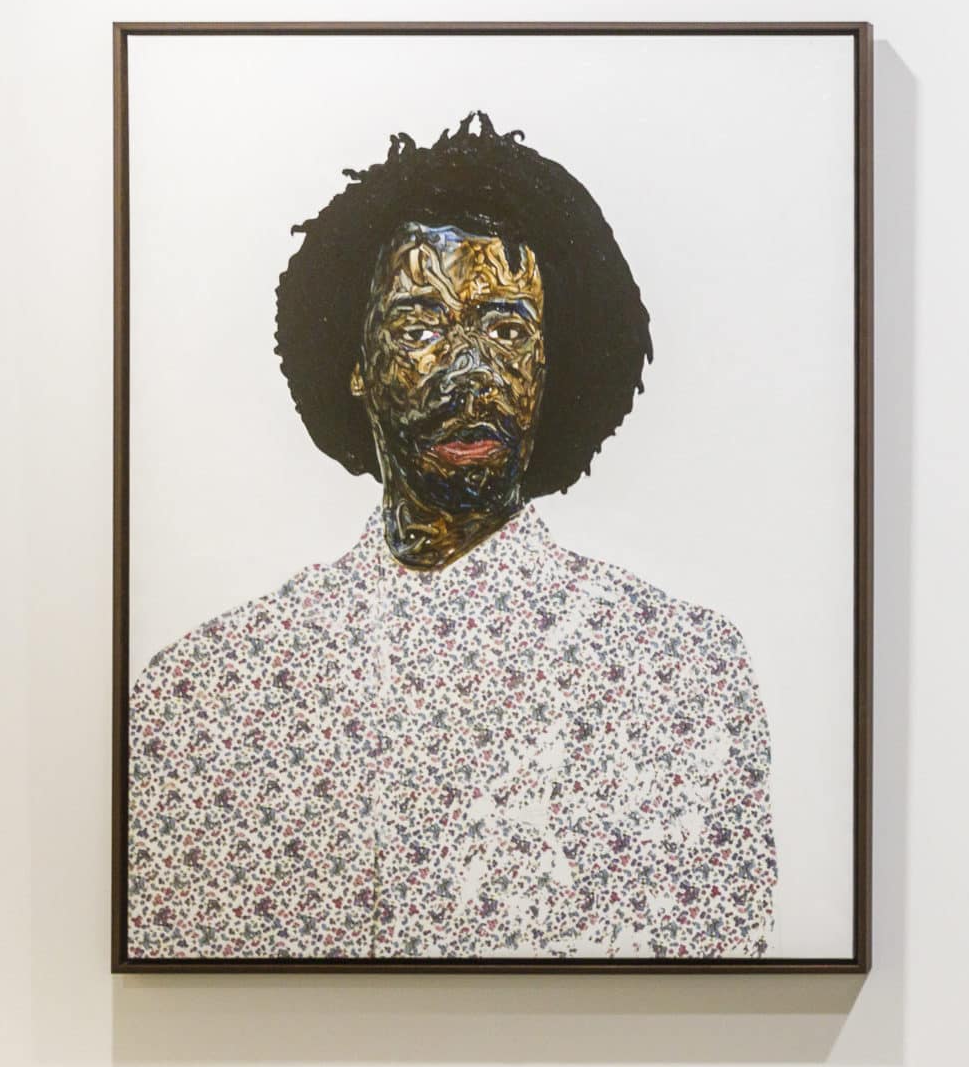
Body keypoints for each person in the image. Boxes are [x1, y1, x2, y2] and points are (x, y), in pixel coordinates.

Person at [125, 113, 778, 961]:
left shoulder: (682, 676)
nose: (469, 371)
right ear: (355, 362)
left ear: (554, 363)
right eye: (419, 324)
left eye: (506, 329)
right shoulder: (202, 699)